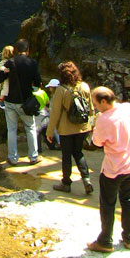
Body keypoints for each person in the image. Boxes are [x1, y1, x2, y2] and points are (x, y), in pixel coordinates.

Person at [87, 87, 130, 254]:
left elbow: (97, 142)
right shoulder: (126, 108)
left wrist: (97, 121)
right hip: (129, 165)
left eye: (96, 104)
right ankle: (128, 238)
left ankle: (105, 240)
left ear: (104, 101)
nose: (96, 107)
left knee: (107, 204)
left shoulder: (104, 119)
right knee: (127, 201)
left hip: (113, 168)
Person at [46, 61, 94, 194]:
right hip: (82, 127)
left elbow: (55, 113)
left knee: (66, 155)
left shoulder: (61, 90)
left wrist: (50, 132)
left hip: (66, 129)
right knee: (78, 153)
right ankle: (86, 180)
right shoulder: (84, 86)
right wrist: (91, 126)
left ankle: (66, 183)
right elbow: (90, 109)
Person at [0, 38, 42, 166]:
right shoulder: (32, 63)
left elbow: (0, 79)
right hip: (26, 102)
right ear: (27, 50)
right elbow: (38, 82)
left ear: (16, 50)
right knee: (30, 128)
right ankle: (33, 157)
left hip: (11, 101)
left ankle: (13, 157)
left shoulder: (10, 62)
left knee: (11, 129)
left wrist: (3, 71)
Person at [0, 45, 14, 109]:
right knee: (5, 89)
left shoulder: (11, 60)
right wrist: (4, 69)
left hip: (10, 76)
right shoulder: (4, 61)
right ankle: (0, 101)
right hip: (6, 77)